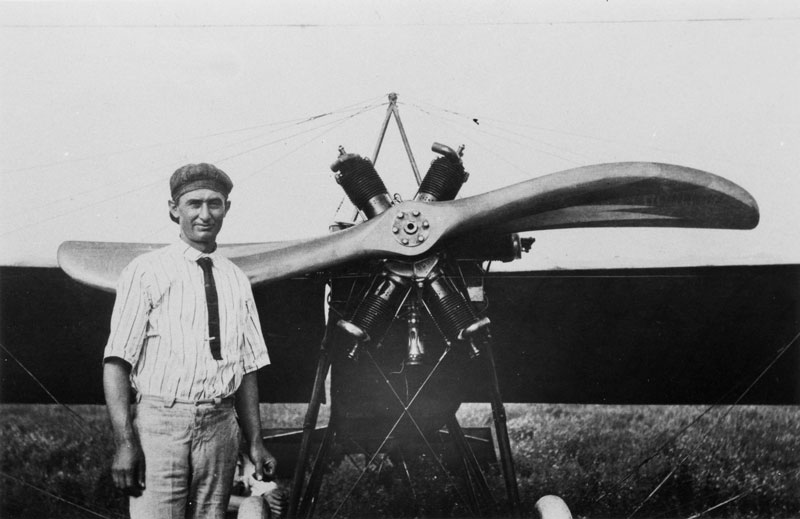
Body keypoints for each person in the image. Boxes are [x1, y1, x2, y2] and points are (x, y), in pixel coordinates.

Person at [103, 163, 277, 519]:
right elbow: (116, 362)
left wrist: (256, 443)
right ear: (173, 209)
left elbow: (246, 369)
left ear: (227, 208)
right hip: (161, 424)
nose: (205, 214)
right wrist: (124, 443)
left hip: (220, 426)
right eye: (194, 203)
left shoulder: (237, 279)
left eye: (215, 203)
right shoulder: (146, 270)